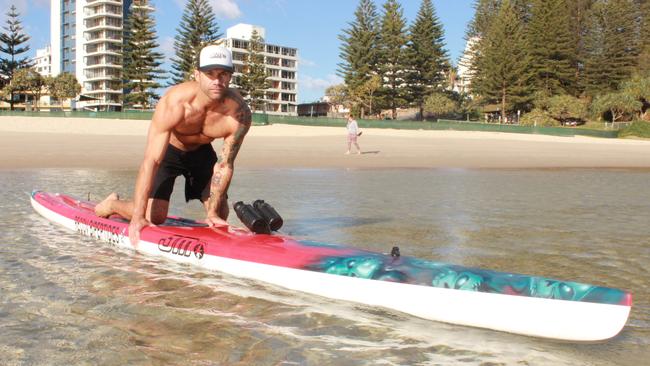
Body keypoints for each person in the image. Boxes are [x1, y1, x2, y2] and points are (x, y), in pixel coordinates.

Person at [94, 44, 251, 245]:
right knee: (155, 215)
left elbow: (225, 165)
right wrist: (138, 217)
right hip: (171, 151)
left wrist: (212, 212)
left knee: (220, 212)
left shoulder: (238, 115)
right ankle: (113, 204)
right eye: (210, 73)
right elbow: (151, 160)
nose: (217, 80)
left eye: (223, 74)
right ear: (197, 75)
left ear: (230, 77)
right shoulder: (175, 103)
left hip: (201, 153)